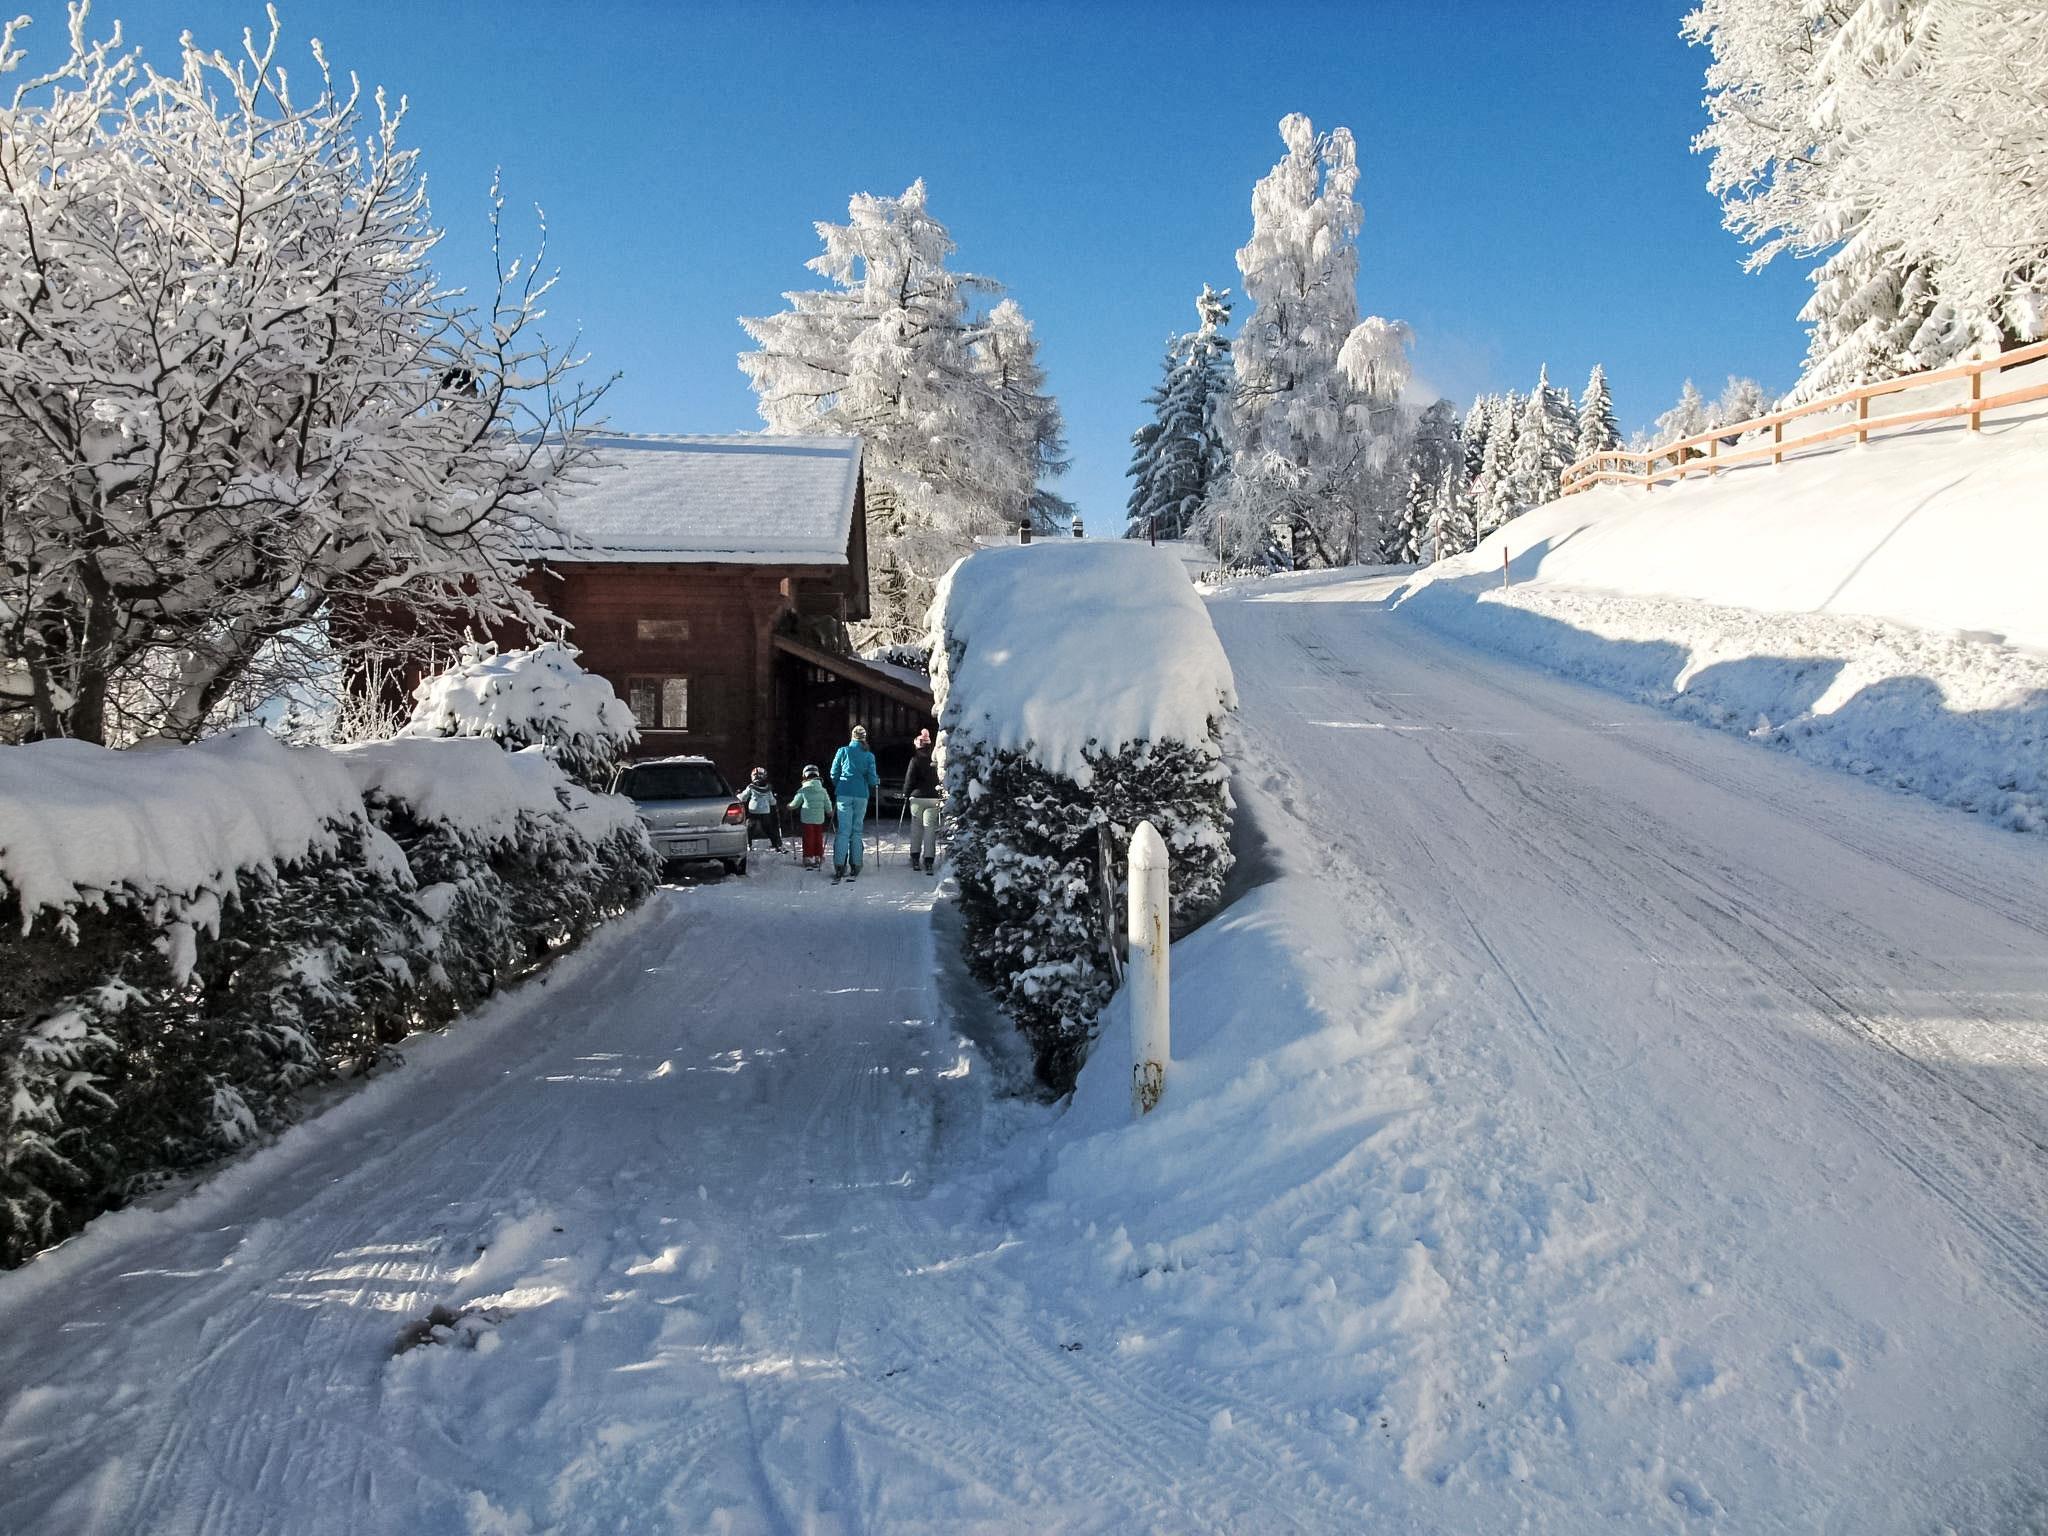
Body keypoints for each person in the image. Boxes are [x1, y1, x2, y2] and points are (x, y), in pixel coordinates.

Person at [829, 724, 880, 882]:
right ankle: (856, 864)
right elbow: (872, 779)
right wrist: (876, 781)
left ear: (852, 736)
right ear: (864, 738)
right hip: (861, 794)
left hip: (844, 792)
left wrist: (839, 784)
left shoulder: (843, 751)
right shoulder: (869, 756)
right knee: (856, 830)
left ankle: (839, 865)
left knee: (843, 830)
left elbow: (833, 772)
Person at [902, 728, 942, 875]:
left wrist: (906, 793)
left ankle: (915, 857)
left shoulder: (915, 760)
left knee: (916, 828)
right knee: (930, 828)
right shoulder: (936, 760)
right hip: (933, 797)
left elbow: (910, 779)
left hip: (917, 798)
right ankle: (929, 859)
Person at [787, 765, 834, 870]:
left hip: (807, 819)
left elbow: (795, 803)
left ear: (805, 776)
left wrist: (790, 806)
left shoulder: (803, 790)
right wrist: (830, 811)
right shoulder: (823, 790)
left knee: (808, 838)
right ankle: (818, 856)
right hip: (819, 818)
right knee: (818, 837)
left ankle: (808, 858)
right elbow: (827, 803)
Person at [740, 767, 782, 852]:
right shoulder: (768, 788)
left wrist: (738, 794)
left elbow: (743, 798)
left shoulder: (751, 787)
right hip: (765, 811)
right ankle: (775, 844)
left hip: (753, 811)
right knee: (768, 828)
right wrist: (775, 800)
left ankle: (749, 844)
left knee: (750, 828)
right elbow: (772, 801)